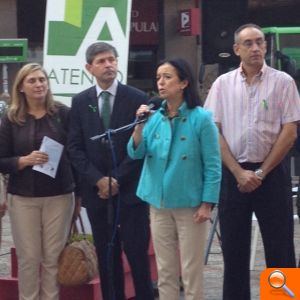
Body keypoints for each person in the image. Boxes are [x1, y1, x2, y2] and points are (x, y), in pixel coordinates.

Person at [204, 23, 300, 300]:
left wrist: (260, 172)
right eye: (248, 43)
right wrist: (238, 172)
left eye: (259, 42)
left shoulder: (283, 82)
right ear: (236, 50)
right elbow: (213, 131)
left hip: (271, 174)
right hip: (234, 175)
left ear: (266, 46)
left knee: (280, 247)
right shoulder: (222, 85)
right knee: (234, 250)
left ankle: (281, 298)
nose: (256, 48)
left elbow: (290, 131)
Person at [127, 58, 221, 300]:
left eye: (167, 77)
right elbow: (135, 152)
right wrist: (138, 126)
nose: (161, 82)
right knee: (165, 271)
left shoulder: (201, 118)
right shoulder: (154, 116)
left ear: (183, 83)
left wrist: (207, 203)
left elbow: (212, 165)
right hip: (158, 203)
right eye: (158, 77)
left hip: (190, 205)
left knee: (191, 272)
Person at [67, 42, 154, 300]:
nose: (108, 65)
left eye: (112, 60)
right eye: (102, 61)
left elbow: (140, 147)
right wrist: (98, 180)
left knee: (138, 256)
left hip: (130, 192)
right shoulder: (81, 101)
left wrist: (116, 178)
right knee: (107, 256)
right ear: (89, 67)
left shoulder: (137, 98)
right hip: (98, 195)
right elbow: (75, 147)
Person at [0, 63, 77, 300]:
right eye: (32, 80)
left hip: (59, 196)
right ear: (21, 87)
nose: (38, 84)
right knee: (29, 259)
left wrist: (80, 194)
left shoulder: (63, 114)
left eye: (42, 79)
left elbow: (76, 153)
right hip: (23, 198)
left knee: (53, 258)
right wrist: (24, 161)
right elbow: (1, 160)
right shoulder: (10, 119)